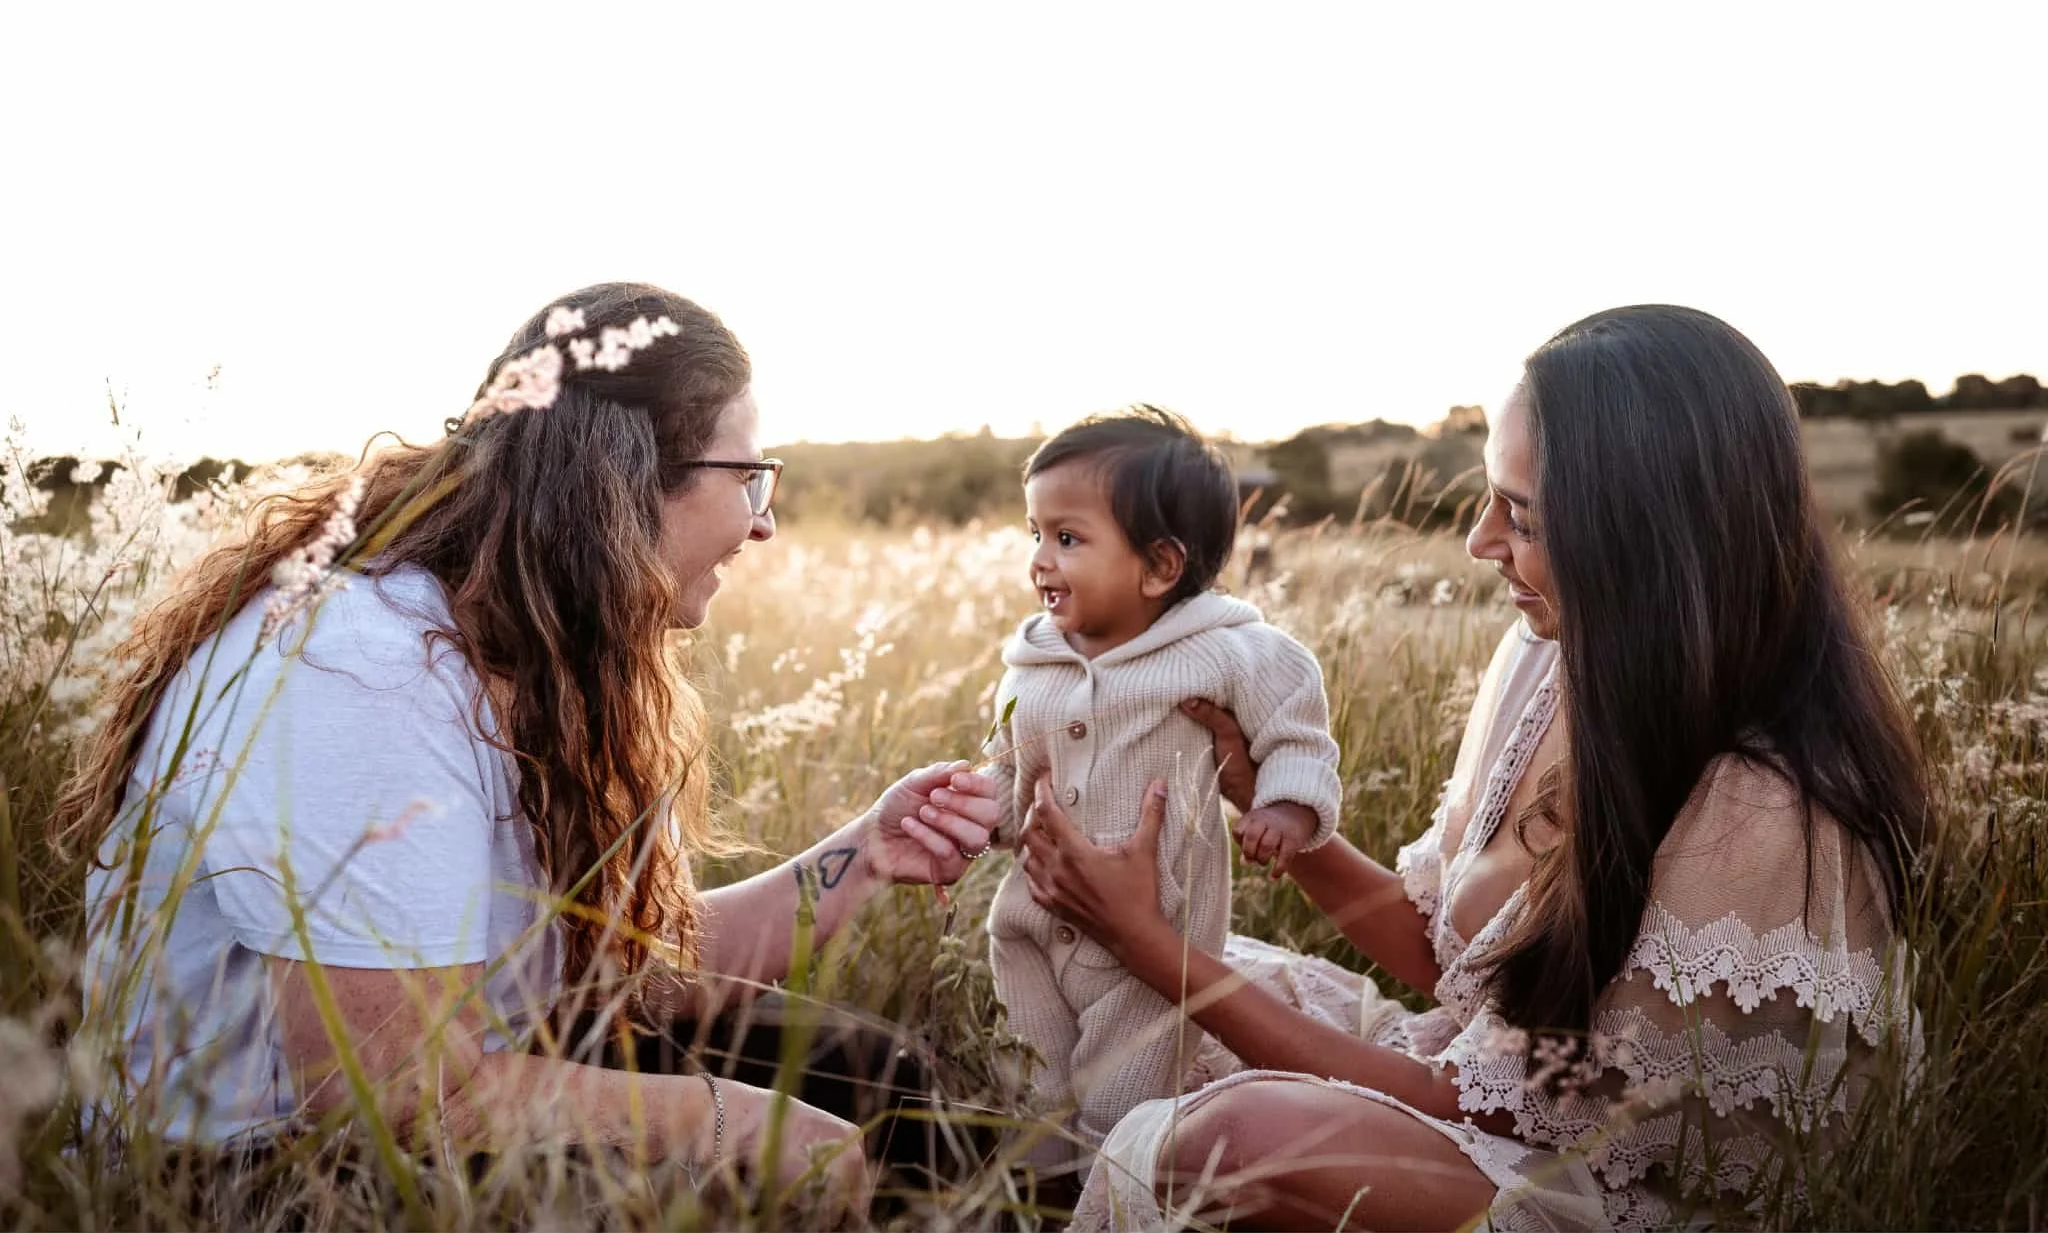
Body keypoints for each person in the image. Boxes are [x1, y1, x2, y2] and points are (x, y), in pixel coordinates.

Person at [54, 283, 1002, 1221]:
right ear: (623, 481)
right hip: (253, 1173)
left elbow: (616, 967)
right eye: (748, 478)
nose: (764, 522)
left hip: (454, 1084)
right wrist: (739, 1125)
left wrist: (865, 857)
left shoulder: (536, 651)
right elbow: (379, 1099)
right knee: (761, 1157)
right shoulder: (360, 675)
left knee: (879, 1082)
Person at [1016, 306, 1928, 1231]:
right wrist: (1270, 814)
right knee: (1129, 1001)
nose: (1480, 540)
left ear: (1639, 538)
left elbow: (1507, 1111)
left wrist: (1152, 945)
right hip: (1485, 1094)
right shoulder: (1546, 660)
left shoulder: (1761, 809)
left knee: (1235, 1129)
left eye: (1521, 514)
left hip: (1610, 1191)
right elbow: (1454, 962)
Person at [975, 406, 1343, 1169]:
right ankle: (1038, 1185)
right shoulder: (1033, 661)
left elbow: (1296, 724)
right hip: (1030, 924)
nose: (1040, 560)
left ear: (1160, 566)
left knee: (1124, 1103)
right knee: (1033, 1084)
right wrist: (981, 804)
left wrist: (1285, 803)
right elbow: (1011, 760)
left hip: (1155, 943)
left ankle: (1110, 1192)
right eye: (1033, 534)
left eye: (1067, 538)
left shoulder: (1227, 650)